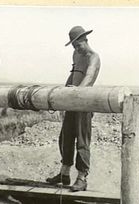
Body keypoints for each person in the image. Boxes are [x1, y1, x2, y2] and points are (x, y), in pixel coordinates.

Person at [46, 26, 101, 192]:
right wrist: (64, 95)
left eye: (79, 45)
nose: (77, 48)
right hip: (71, 100)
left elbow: (88, 78)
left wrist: (75, 93)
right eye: (74, 46)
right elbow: (73, 74)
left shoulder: (94, 58)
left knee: (82, 141)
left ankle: (82, 177)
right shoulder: (76, 54)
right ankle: (64, 174)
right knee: (65, 138)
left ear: (85, 40)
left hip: (84, 103)